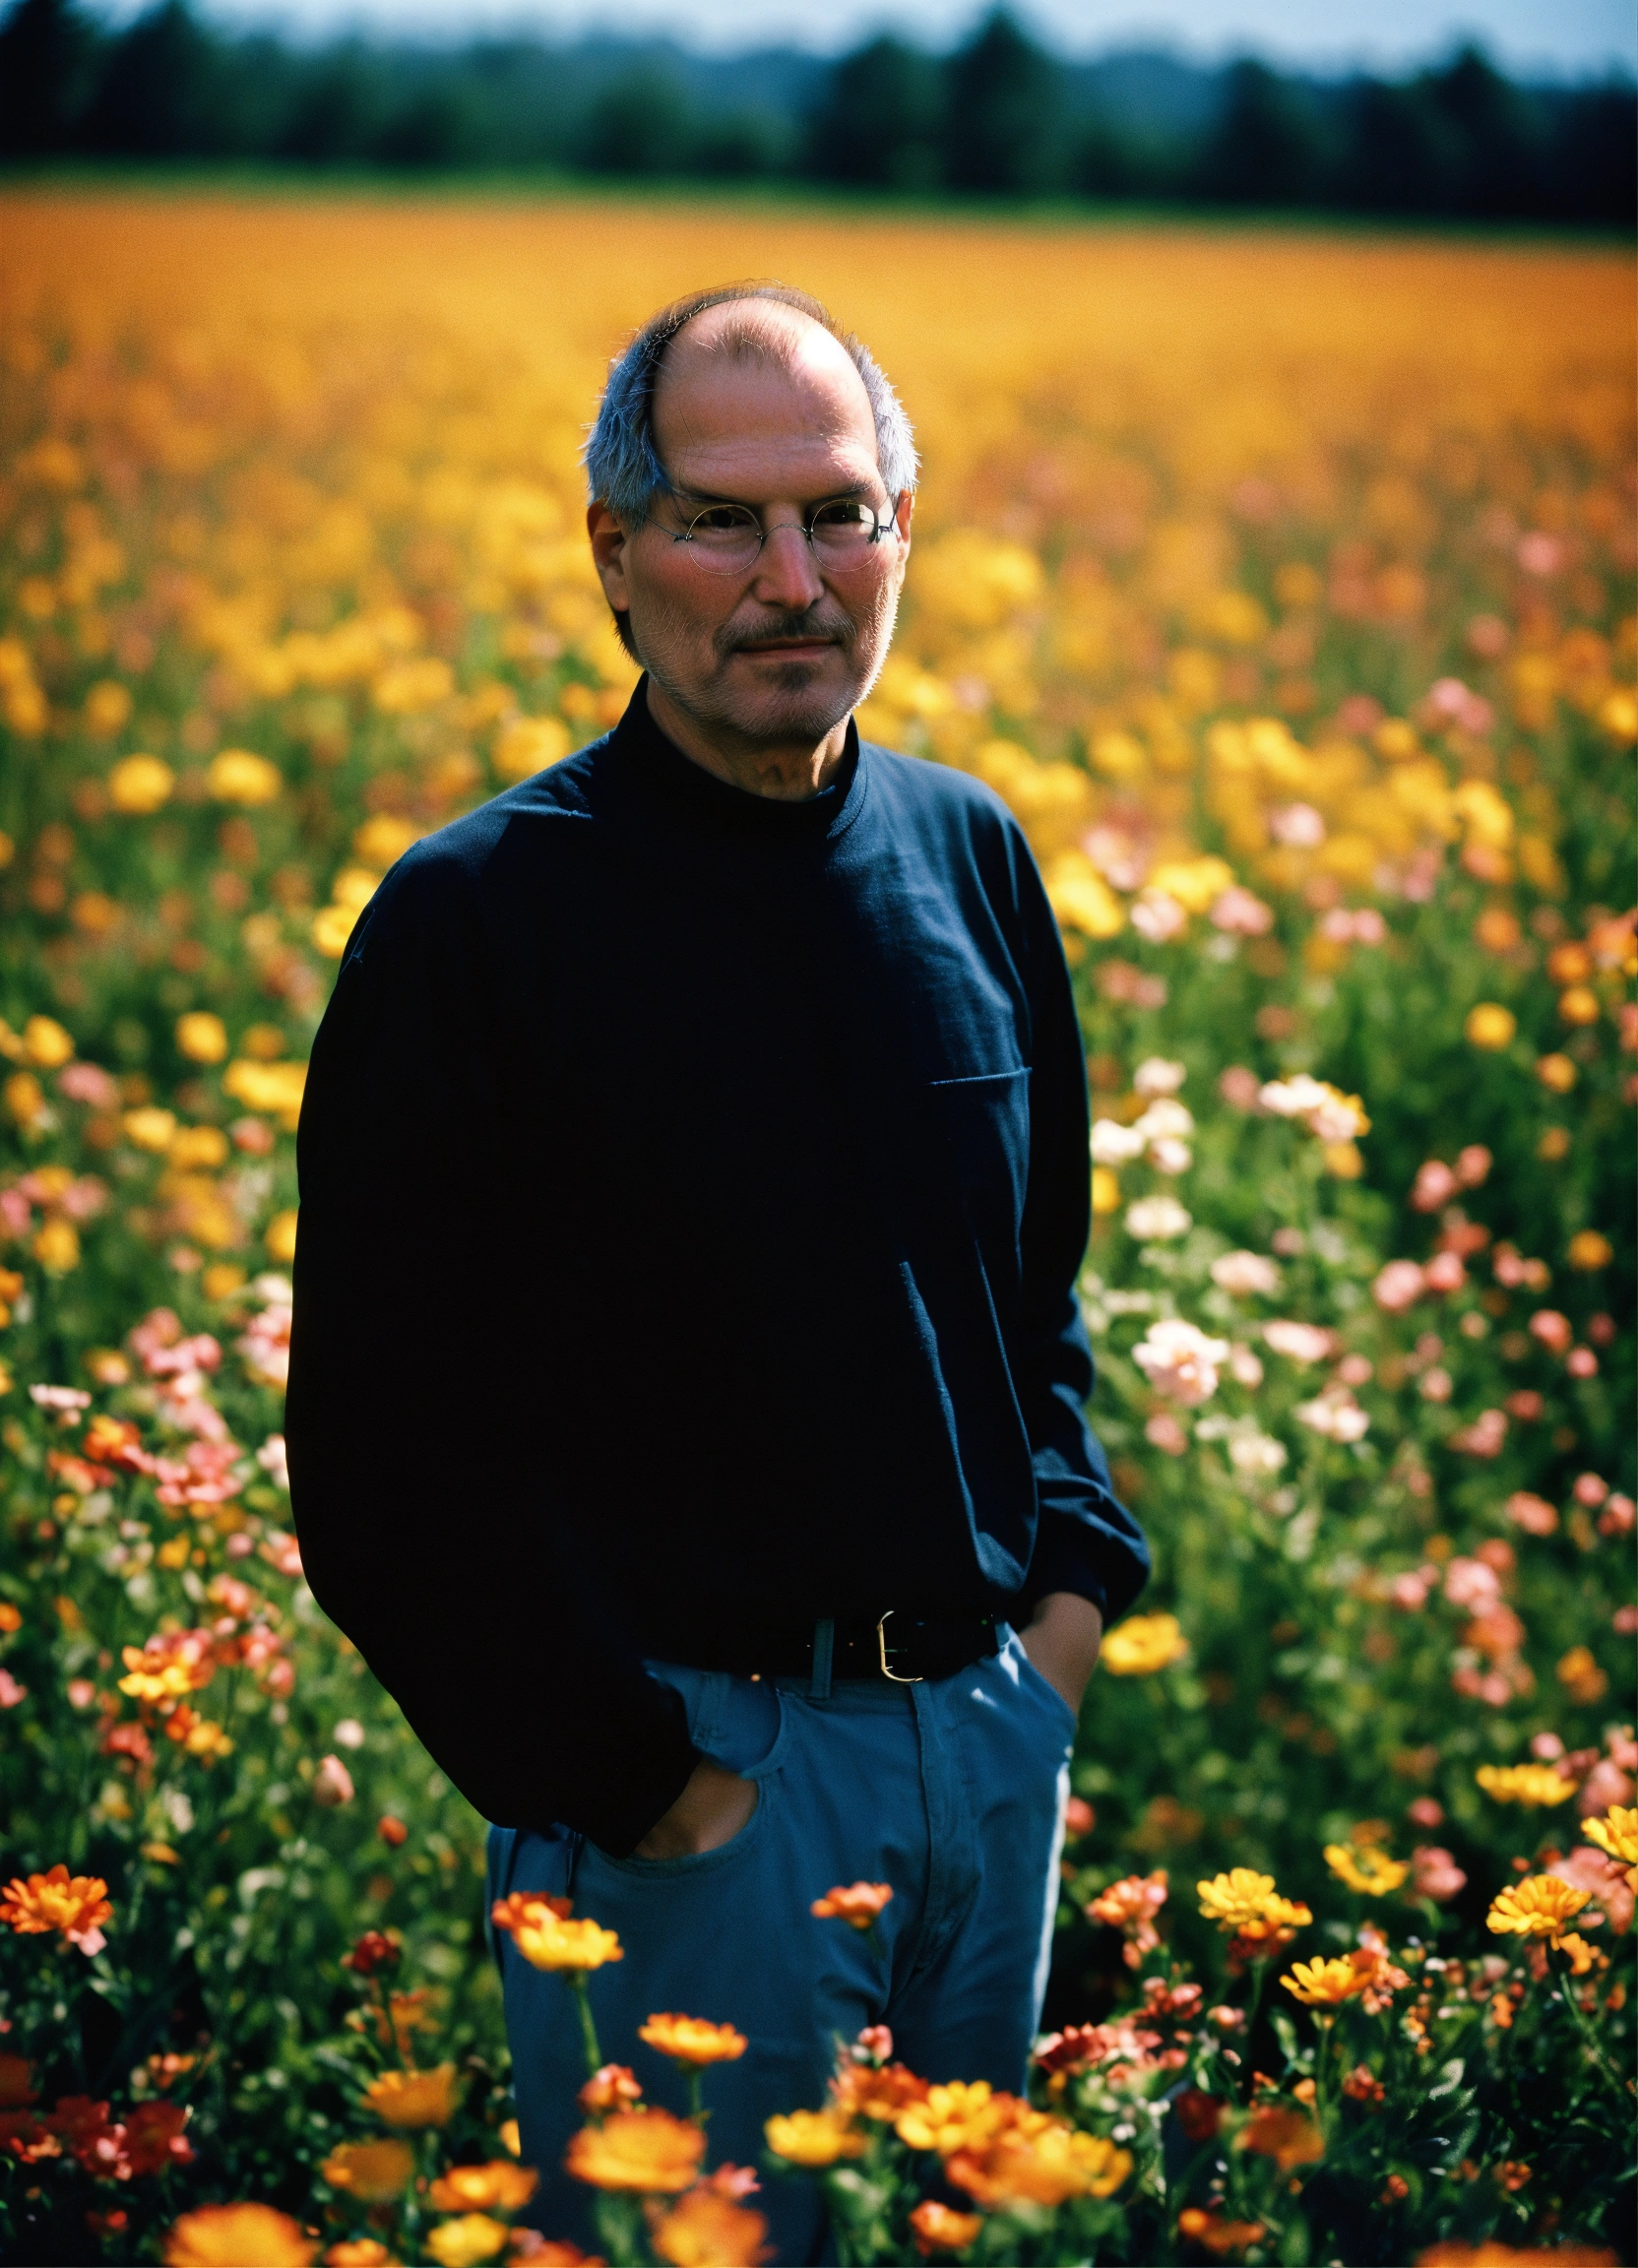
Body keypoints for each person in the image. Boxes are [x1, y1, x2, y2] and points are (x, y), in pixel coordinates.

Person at [285, 282, 1148, 2263]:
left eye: (839, 514)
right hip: (698, 1810)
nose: (791, 580)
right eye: (719, 520)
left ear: (901, 536)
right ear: (611, 552)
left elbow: (1036, 1305)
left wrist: (1060, 1624)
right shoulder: (474, 922)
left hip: (987, 1757)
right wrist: (653, 1792)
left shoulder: (970, 851)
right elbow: (377, 1466)